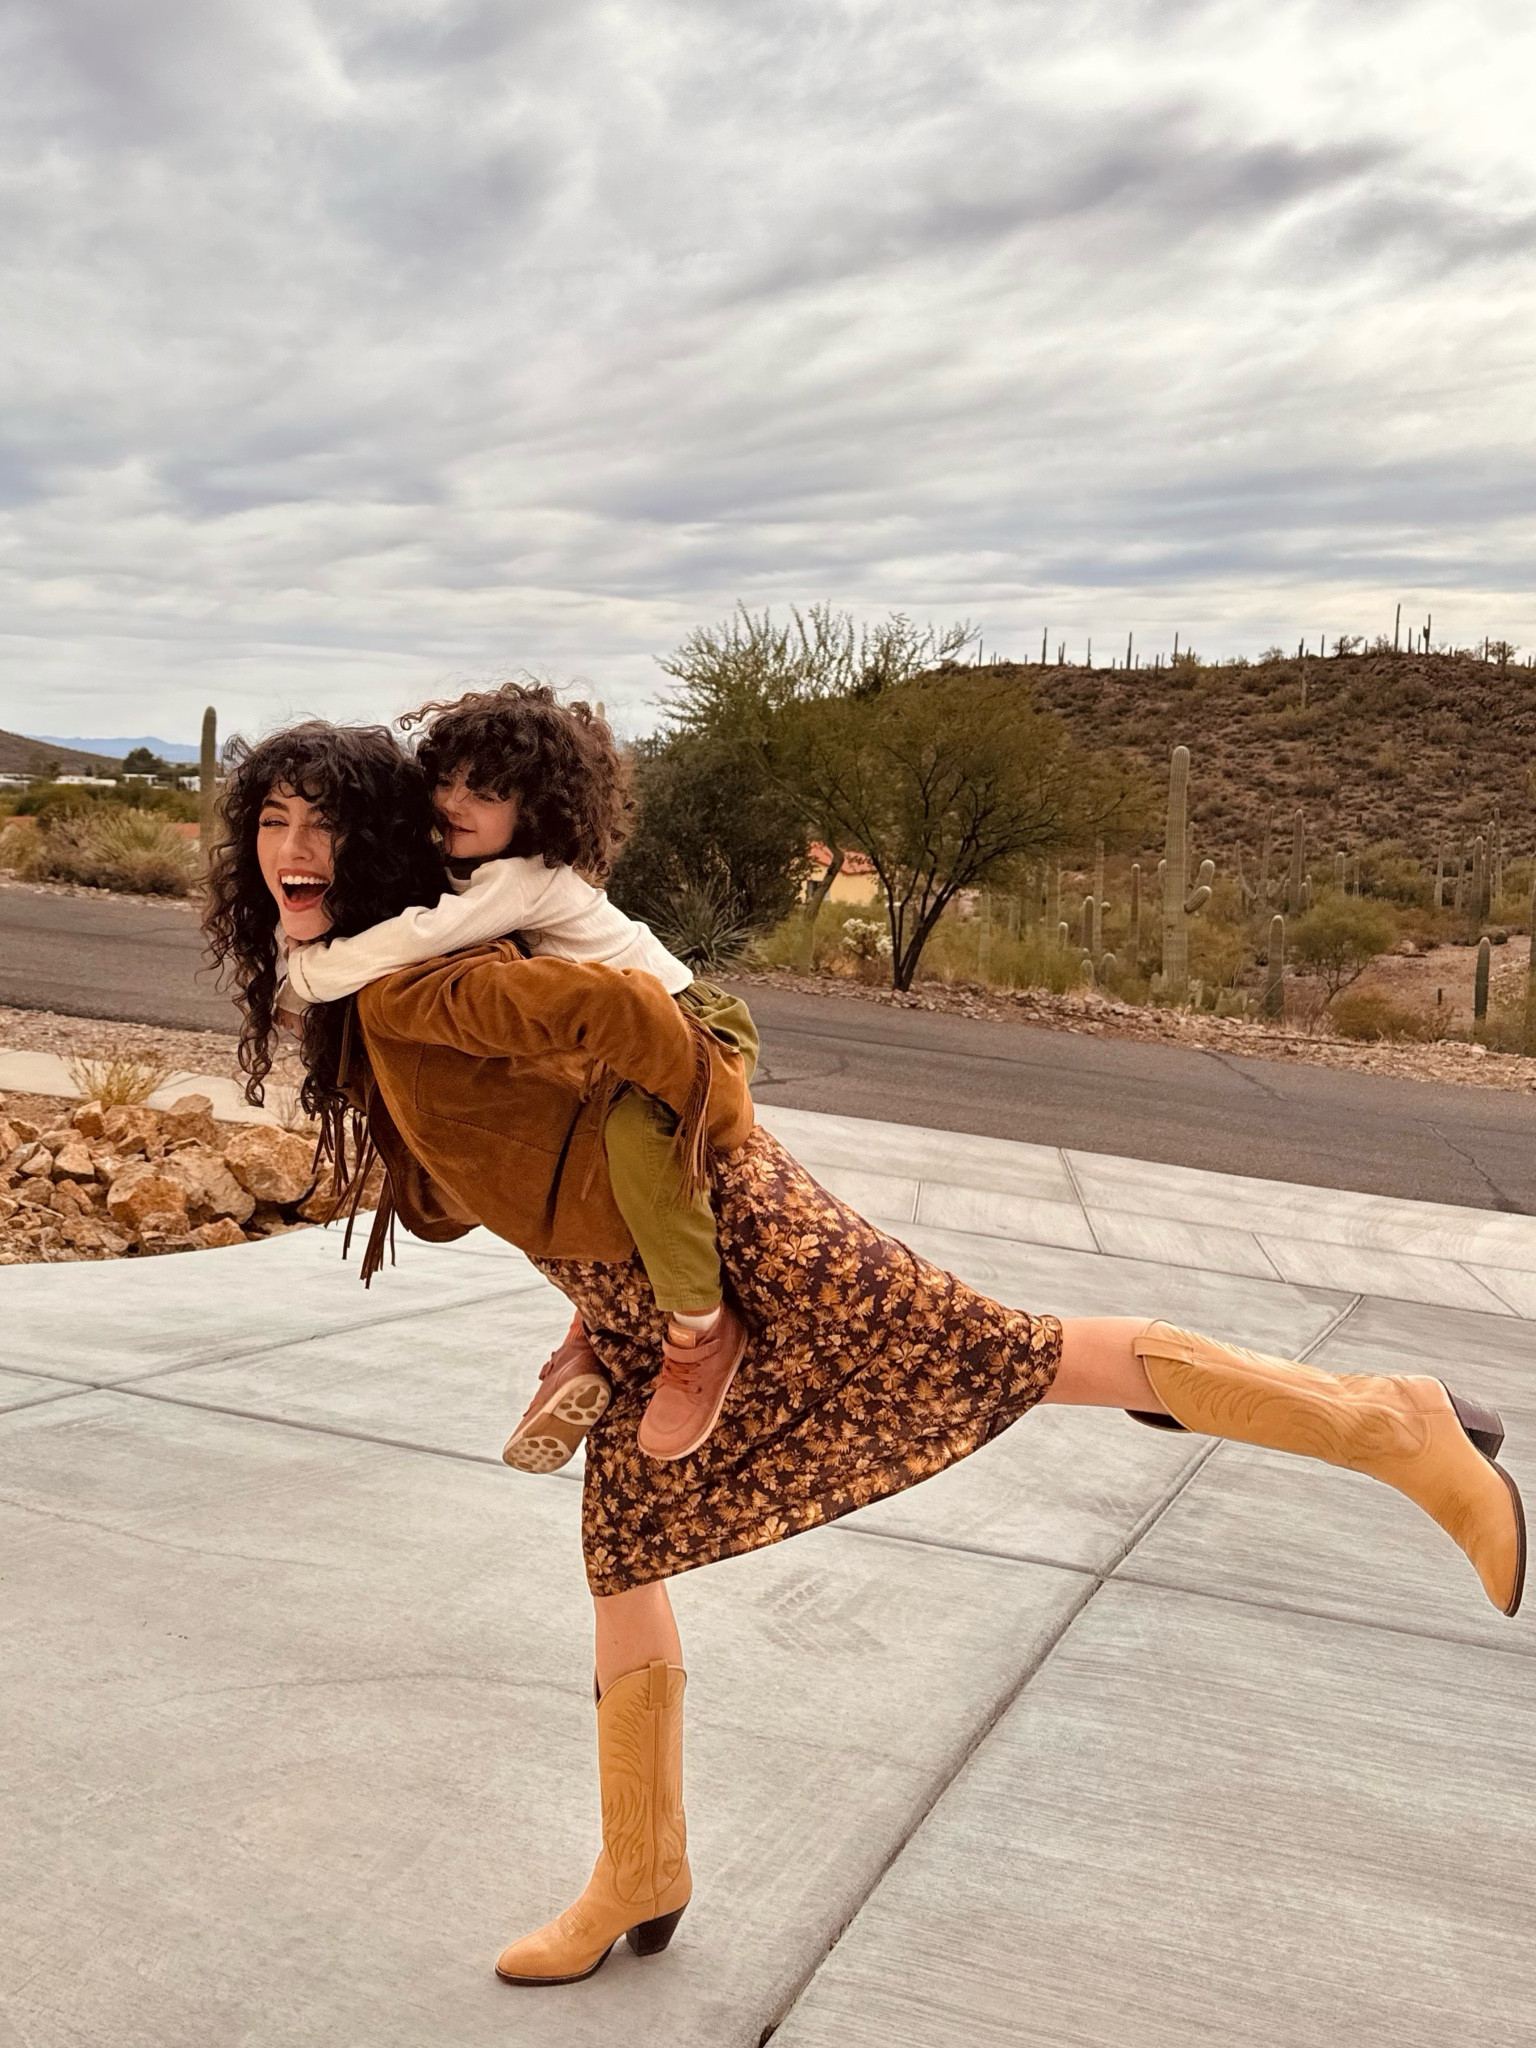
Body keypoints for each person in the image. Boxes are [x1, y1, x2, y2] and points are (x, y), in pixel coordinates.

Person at [205, 717, 1526, 1993]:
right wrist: (590, 1310)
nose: (290, 846)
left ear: (377, 843)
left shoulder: (434, 976)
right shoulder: (383, 986)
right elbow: (547, 1148)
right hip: (652, 1290)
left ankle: (1385, 1423)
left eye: (321, 822)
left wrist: (705, 1153)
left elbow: (647, 1037)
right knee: (626, 1546)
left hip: (752, 1243)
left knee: (1026, 1356)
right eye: (271, 820)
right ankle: (640, 1870)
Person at [280, 683, 757, 1468]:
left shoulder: (523, 877)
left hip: (690, 1028)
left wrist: (309, 971)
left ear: (538, 811)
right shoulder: (473, 870)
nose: (457, 802)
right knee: (570, 1171)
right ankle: (596, 1335)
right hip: (611, 1050)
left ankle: (700, 1332)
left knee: (640, 1150)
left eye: (490, 791)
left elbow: (416, 938)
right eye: (446, 780)